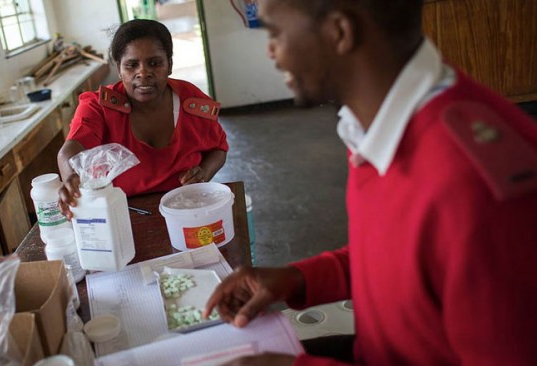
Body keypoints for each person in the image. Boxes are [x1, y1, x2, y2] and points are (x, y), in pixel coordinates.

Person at [203, 0, 537, 365]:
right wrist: (296, 279)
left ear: (340, 32)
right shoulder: (374, 126)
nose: (270, 49)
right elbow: (402, 260)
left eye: (275, 31)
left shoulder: (475, 189)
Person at [57, 19, 228, 217]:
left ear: (170, 65)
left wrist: (204, 172)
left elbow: (219, 148)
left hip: (185, 210)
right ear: (119, 69)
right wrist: (71, 179)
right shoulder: (98, 107)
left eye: (154, 63)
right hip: (122, 214)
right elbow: (69, 151)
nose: (143, 73)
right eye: (131, 65)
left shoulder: (192, 102)